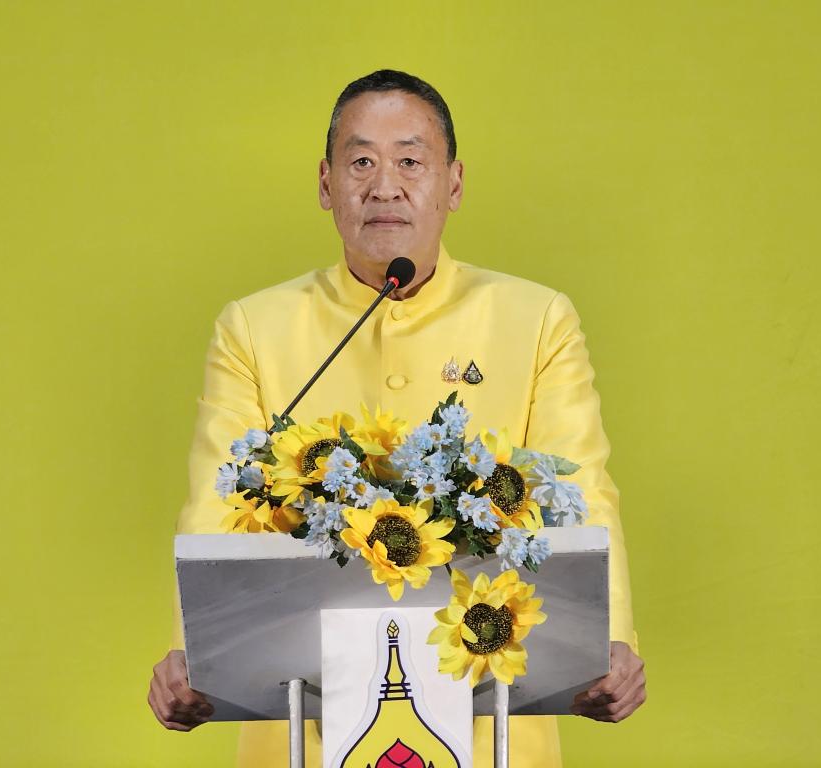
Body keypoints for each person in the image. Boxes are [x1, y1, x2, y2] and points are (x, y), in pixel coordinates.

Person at [148, 69, 647, 767]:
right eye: (361, 162)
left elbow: (583, 489)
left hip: (491, 707)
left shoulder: (536, 320)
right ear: (326, 185)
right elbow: (217, 501)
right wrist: (193, 652)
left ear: (454, 184)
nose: (384, 186)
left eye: (410, 161)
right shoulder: (254, 329)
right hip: (302, 713)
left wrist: (609, 639)